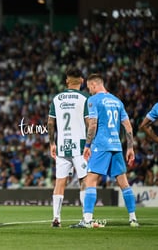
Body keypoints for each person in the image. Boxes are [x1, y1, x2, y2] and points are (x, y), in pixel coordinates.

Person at [78, 73, 139, 228]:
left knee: (90, 180)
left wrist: (87, 146)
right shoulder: (117, 101)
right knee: (124, 183)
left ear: (93, 85)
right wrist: (130, 147)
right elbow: (128, 127)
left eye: (89, 88)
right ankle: (133, 219)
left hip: (101, 145)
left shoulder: (93, 100)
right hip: (116, 146)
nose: (89, 91)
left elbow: (92, 125)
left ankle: (87, 219)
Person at [47, 67, 89, 228]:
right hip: (80, 146)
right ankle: (86, 217)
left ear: (66, 81)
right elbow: (88, 122)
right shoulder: (85, 98)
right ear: (82, 80)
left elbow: (50, 123)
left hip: (62, 146)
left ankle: (56, 218)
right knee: (84, 180)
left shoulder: (57, 99)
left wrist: (52, 143)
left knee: (60, 182)